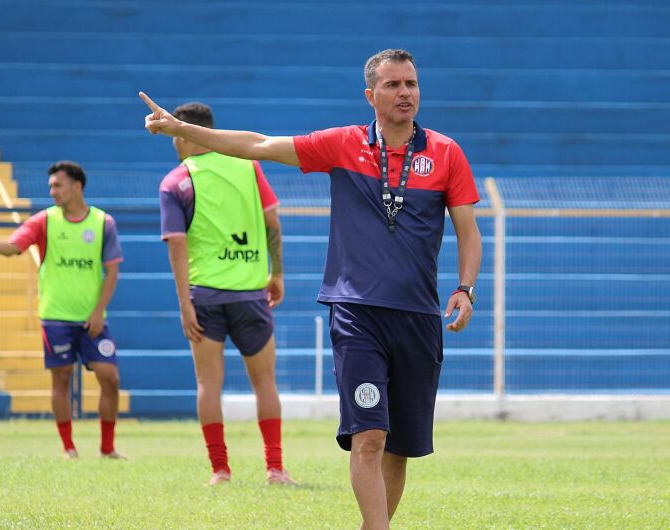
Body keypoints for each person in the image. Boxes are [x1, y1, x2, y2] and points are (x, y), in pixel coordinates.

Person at [140, 48, 481, 528]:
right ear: (371, 95)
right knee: (369, 437)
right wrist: (183, 129)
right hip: (357, 312)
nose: (405, 93)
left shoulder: (446, 152)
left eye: (411, 84)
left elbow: (469, 230)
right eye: (393, 85)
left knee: (399, 450)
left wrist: (465, 288)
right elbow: (258, 144)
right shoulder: (342, 144)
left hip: (419, 317)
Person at [158, 102, 295, 486]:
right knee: (265, 382)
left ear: (183, 134)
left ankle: (220, 470)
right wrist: (277, 273)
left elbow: (177, 246)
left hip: (204, 296)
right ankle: (275, 468)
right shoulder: (248, 165)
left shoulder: (175, 182)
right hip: (251, 293)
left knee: (207, 384)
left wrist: (184, 302)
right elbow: (272, 221)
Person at [0, 161, 126, 460]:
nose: (52, 191)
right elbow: (12, 247)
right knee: (61, 378)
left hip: (92, 317)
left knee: (110, 378)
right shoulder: (44, 221)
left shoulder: (103, 223)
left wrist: (98, 311)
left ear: (77, 186)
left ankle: (107, 448)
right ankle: (68, 448)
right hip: (55, 316)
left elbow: (112, 272)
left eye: (58, 185)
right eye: (50, 186)